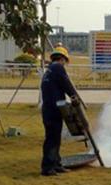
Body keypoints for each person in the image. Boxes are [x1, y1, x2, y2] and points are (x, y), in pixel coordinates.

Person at [40, 46, 78, 176]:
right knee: (52, 139)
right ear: (62, 59)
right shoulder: (58, 68)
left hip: (49, 108)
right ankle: (48, 168)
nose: (64, 64)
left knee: (55, 138)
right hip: (53, 109)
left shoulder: (49, 70)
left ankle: (56, 164)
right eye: (65, 61)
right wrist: (74, 97)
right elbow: (66, 84)